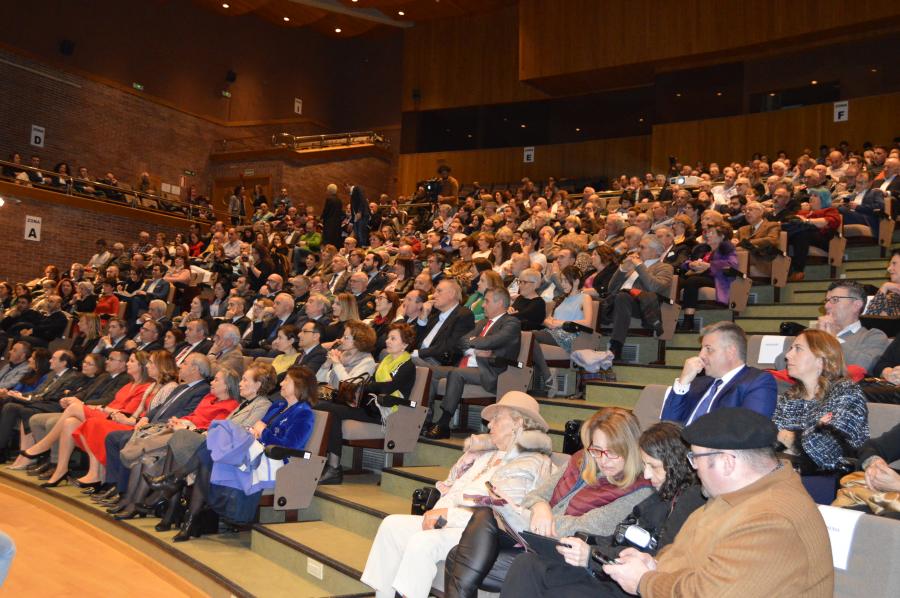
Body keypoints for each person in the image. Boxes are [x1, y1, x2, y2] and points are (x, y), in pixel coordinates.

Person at [602, 408, 833, 597]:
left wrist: (644, 581)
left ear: (727, 462)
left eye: (695, 458)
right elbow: (685, 555)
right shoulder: (734, 496)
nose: (692, 467)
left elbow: (709, 594)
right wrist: (653, 564)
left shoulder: (772, 519)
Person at [361, 392, 554, 598]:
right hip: (454, 522)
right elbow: (455, 490)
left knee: (423, 542)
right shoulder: (487, 455)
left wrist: (447, 517)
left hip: (484, 534)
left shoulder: (531, 462)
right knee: (392, 525)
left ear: (519, 423)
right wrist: (437, 513)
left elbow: (500, 513)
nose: (489, 425)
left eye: (497, 418)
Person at [442, 407, 653, 594]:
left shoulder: (640, 489)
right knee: (483, 516)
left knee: (458, 556)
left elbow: (586, 526)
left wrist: (536, 519)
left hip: (566, 553)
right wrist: (540, 507)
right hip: (538, 537)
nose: (603, 460)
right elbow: (535, 496)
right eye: (597, 450)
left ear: (631, 449)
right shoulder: (581, 460)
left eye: (613, 453)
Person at [501, 422, 706, 598]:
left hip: (625, 582)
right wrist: (585, 542)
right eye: (645, 465)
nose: (647, 473)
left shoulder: (689, 501)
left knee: (552, 589)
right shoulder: (662, 493)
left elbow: (659, 556)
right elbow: (619, 536)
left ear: (675, 464)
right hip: (607, 567)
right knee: (527, 563)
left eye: (653, 466)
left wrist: (591, 554)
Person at [179, 364, 317, 537]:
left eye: (287, 380)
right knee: (211, 453)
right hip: (255, 450)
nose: (281, 383)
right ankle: (191, 519)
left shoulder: (304, 413)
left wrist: (263, 431)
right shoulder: (278, 406)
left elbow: (290, 446)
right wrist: (256, 431)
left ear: (299, 385)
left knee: (211, 453)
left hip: (275, 460)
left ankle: (180, 490)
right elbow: (257, 429)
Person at [139, 363, 277, 531]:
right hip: (216, 443)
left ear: (258, 384)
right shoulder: (245, 404)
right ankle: (172, 495)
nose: (240, 383)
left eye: (245, 380)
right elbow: (221, 427)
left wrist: (198, 431)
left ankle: (170, 495)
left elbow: (240, 431)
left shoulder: (262, 404)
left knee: (180, 437)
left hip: (230, 451)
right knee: (177, 439)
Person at [109, 366, 240, 520]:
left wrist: (185, 426)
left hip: (192, 440)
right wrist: (179, 420)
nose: (212, 382)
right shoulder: (208, 398)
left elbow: (211, 428)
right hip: (181, 430)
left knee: (146, 457)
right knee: (143, 461)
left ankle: (135, 504)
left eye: (216, 380)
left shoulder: (230, 406)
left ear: (226, 385)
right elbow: (193, 415)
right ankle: (130, 501)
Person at [21, 351, 151, 486]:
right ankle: (61, 469)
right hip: (107, 413)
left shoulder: (144, 387)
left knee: (74, 408)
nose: (127, 364)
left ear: (142, 366)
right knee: (70, 422)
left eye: (131, 361)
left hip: (119, 420)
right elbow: (111, 404)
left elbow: (127, 413)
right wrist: (99, 408)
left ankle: (44, 445)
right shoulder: (129, 384)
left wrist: (97, 407)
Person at [316, 322, 417, 485]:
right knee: (327, 409)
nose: (388, 341)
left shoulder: (407, 365)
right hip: (372, 406)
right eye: (388, 337)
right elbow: (374, 386)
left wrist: (368, 387)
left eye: (393, 338)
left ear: (405, 344)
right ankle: (332, 466)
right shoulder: (385, 361)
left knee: (324, 408)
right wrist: (368, 387)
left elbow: (388, 387)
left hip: (387, 412)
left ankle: (333, 467)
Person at [423, 288, 521, 439]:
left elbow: (494, 340)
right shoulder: (482, 322)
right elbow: (461, 341)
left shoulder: (511, 323)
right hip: (469, 365)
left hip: (490, 371)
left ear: (500, 303)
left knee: (456, 373)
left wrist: (473, 345)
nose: (482, 305)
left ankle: (444, 423)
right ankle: (426, 419)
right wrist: (476, 348)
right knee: (430, 371)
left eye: (487, 301)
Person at [774, 330, 869, 470]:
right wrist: (814, 430)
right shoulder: (789, 397)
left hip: (830, 481)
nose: (788, 355)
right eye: (790, 349)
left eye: (798, 349)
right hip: (785, 475)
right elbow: (766, 441)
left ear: (821, 360)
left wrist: (786, 437)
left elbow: (827, 451)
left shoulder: (847, 392)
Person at [661, 321, 776, 424]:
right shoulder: (699, 382)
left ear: (731, 351)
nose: (701, 355)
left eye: (708, 349)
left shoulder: (756, 381)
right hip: (677, 446)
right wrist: (683, 382)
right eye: (701, 349)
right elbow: (667, 424)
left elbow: (751, 431)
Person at [775, 280, 889, 374]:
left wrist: (831, 340)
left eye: (834, 300)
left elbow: (867, 367)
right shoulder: (811, 333)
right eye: (827, 300)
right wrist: (816, 337)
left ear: (856, 305)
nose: (826, 306)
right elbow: (780, 363)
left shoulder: (873, 335)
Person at [0, 350, 84, 463]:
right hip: (38, 402)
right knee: (9, 403)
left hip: (51, 406)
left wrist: (27, 398)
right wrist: (20, 395)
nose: (50, 360)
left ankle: (23, 453)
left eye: (54, 358)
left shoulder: (72, 377)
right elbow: (38, 392)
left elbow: (54, 397)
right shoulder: (51, 374)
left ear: (63, 362)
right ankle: (2, 448)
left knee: (16, 406)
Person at [602, 235, 673, 359]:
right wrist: (623, 269)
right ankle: (584, 347)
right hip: (618, 301)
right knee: (590, 300)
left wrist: (640, 266)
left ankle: (616, 346)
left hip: (644, 306)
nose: (638, 250)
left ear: (655, 252)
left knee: (623, 297)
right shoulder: (632, 266)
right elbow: (611, 288)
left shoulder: (664, 267)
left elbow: (653, 288)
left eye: (642, 247)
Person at [531, 265, 594, 397]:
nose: (562, 284)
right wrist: (550, 322)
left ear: (576, 281)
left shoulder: (585, 298)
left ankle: (547, 377)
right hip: (554, 332)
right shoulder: (561, 298)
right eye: (562, 280)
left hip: (570, 335)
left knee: (530, 336)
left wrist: (561, 323)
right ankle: (548, 376)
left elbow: (588, 323)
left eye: (566, 280)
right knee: (528, 337)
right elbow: (548, 319)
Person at [677, 222, 739, 331]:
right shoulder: (704, 249)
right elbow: (686, 262)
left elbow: (732, 265)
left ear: (722, 236)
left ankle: (688, 320)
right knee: (678, 281)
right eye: (707, 233)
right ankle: (673, 318)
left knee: (692, 281)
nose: (707, 235)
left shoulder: (727, 247)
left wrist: (709, 266)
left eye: (711, 233)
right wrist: (690, 264)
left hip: (719, 279)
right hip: (703, 277)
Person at [316, 320, 378, 388]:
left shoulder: (367, 362)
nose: (341, 340)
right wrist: (327, 364)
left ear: (358, 341)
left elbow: (349, 386)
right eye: (343, 336)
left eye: (346, 337)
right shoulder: (342, 354)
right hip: (330, 395)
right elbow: (319, 380)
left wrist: (337, 364)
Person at [864, 250, 900, 317]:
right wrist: (885, 286)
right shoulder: (893, 297)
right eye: (889, 265)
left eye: (894, 263)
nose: (889, 269)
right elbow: (870, 320)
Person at [321, 183, 344, 248]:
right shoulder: (339, 200)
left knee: (327, 240)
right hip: (337, 224)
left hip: (329, 223)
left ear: (329, 191)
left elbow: (326, 211)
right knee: (334, 241)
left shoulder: (329, 199)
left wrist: (321, 218)